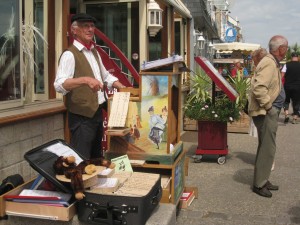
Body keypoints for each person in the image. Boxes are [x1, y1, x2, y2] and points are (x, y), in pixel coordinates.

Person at [54, 13, 125, 159]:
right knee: (81, 159)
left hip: (97, 113)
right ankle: (78, 182)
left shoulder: (94, 51)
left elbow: (105, 76)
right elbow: (59, 84)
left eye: (92, 26)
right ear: (74, 30)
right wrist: (85, 80)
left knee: (96, 157)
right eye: (85, 26)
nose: (90, 29)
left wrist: (120, 85)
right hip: (81, 117)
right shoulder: (70, 55)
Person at [248, 35, 288, 198]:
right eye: (285, 46)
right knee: (268, 148)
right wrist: (269, 106)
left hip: (268, 112)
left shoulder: (271, 62)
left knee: (265, 147)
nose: (287, 50)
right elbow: (259, 88)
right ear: (280, 49)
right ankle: (259, 184)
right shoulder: (269, 63)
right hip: (267, 112)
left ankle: (263, 179)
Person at [281, 52, 300, 124]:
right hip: (298, 86)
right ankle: (295, 118)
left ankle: (286, 115)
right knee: (296, 102)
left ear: (291, 57)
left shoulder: (287, 64)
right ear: (297, 57)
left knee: (286, 101)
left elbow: (282, 75)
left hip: (287, 86)